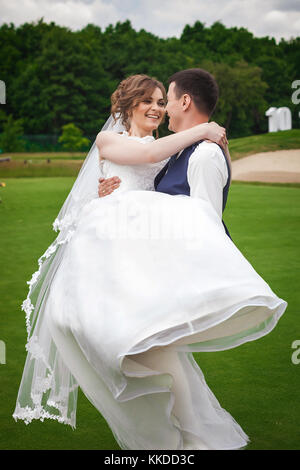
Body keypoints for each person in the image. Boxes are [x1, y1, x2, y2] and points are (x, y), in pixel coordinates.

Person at [13, 72, 287, 451]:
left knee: (155, 348)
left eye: (162, 101)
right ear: (126, 106)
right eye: (149, 101)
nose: (157, 108)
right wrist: (203, 129)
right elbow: (144, 157)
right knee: (114, 338)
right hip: (108, 259)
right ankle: (181, 430)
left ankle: (184, 435)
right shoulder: (110, 139)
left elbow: (169, 191)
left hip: (145, 262)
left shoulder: (169, 146)